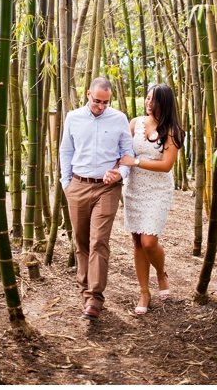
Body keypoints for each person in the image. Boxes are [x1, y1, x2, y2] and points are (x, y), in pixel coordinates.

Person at [60, 77, 134, 321]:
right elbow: (66, 151)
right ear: (88, 94)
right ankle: (85, 293)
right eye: (98, 101)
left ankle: (94, 299)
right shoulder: (73, 117)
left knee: (99, 241)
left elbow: (127, 153)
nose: (102, 106)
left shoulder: (119, 118)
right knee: (81, 242)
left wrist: (119, 174)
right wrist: (66, 183)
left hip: (106, 188)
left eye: (106, 102)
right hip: (78, 185)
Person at [118, 83, 184, 315]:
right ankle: (144, 292)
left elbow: (166, 165)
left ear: (163, 104)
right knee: (137, 242)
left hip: (157, 190)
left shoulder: (173, 130)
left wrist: (135, 162)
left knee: (149, 242)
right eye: (146, 98)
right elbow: (123, 153)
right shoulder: (135, 123)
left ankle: (161, 272)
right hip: (134, 187)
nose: (147, 103)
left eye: (152, 100)